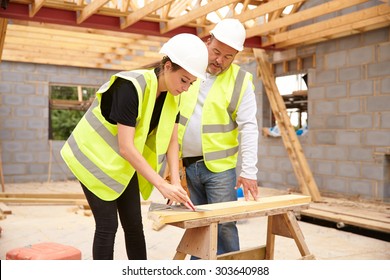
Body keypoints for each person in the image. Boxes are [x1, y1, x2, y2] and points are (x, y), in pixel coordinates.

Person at [60, 33, 208, 260]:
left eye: (191, 83)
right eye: (184, 80)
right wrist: (161, 184)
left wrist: (175, 183)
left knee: (134, 226)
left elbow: (171, 139)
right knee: (108, 226)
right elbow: (126, 147)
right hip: (92, 159)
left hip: (122, 164)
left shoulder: (173, 95)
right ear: (167, 67)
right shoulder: (131, 86)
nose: (186, 88)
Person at [178, 19, 259, 256]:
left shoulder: (241, 81)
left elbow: (249, 127)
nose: (219, 61)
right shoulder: (187, 69)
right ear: (207, 41)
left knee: (224, 226)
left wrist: (249, 171)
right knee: (198, 226)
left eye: (228, 57)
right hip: (188, 166)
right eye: (216, 52)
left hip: (220, 170)